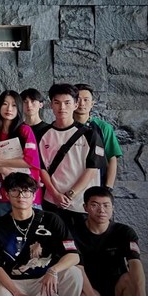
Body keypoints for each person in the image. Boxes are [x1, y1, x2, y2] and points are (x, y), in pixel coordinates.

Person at [73, 186, 148, 296]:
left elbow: (135, 264)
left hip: (116, 285)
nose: (101, 210)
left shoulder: (124, 232)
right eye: (95, 205)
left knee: (131, 280)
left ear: (112, 208)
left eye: (106, 205)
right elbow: (78, 268)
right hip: (89, 285)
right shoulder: (74, 232)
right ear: (85, 207)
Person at [39, 83, 106, 231]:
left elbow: (92, 169)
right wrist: (55, 194)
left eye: (67, 103)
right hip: (52, 202)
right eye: (57, 102)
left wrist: (70, 194)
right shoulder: (42, 134)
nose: (62, 107)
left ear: (75, 105)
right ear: (51, 105)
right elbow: (41, 168)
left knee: (80, 244)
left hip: (81, 204)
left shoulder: (90, 134)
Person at [0, 90, 42, 219]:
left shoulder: (25, 131)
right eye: (5, 104)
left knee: (31, 229)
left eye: (14, 105)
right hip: (2, 193)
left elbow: (30, 161)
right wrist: (1, 169)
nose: (9, 109)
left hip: (26, 193)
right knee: (3, 229)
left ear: (19, 108)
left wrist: (0, 162)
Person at [74, 84, 123, 188]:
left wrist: (108, 187)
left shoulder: (104, 127)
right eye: (78, 99)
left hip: (96, 185)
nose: (82, 103)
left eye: (86, 100)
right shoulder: (63, 126)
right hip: (68, 183)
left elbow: (111, 158)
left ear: (92, 103)